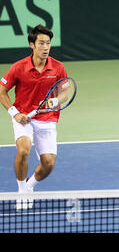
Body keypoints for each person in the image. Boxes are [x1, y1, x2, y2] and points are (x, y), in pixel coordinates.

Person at [0, 25, 68, 208]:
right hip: (24, 118)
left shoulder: (58, 68)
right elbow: (2, 91)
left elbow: (64, 93)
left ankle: (29, 186)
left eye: (48, 43)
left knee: (48, 165)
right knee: (23, 150)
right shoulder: (18, 67)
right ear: (32, 44)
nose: (46, 47)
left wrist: (56, 101)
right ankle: (21, 191)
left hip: (47, 119)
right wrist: (15, 113)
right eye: (41, 43)